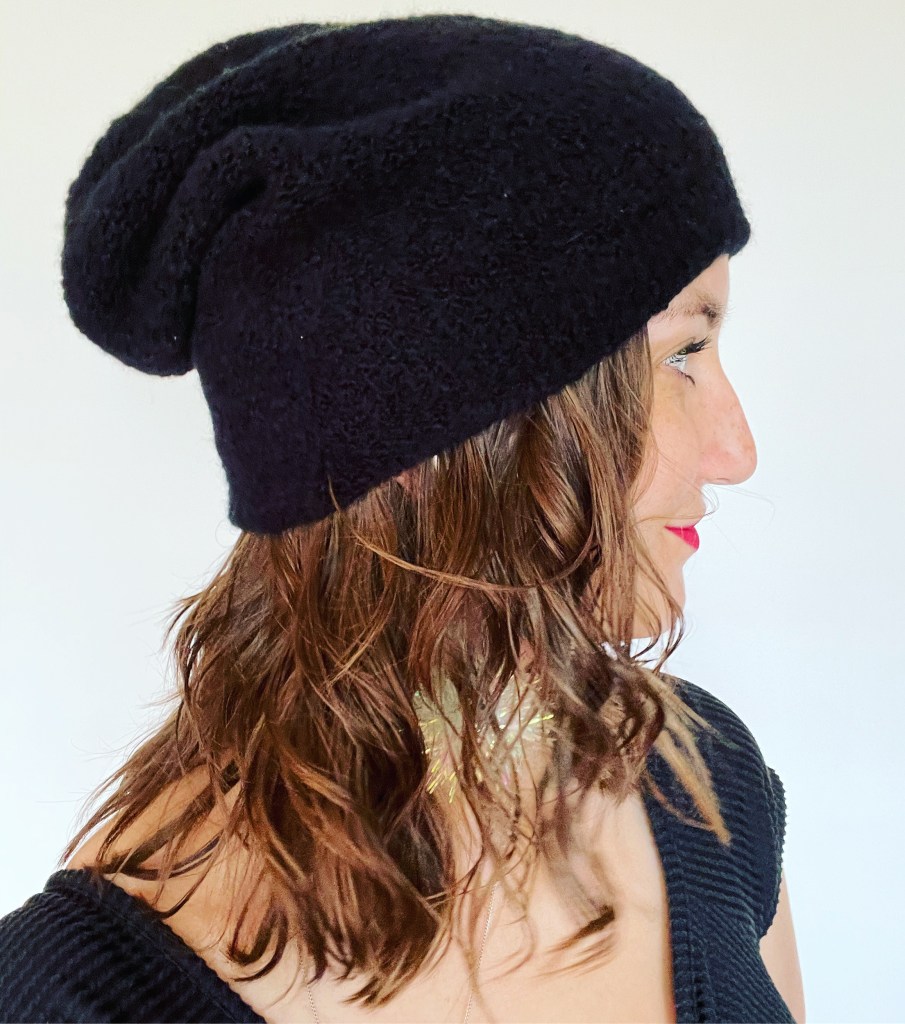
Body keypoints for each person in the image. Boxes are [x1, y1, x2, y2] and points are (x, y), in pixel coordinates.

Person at [0, 14, 805, 1023]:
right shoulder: (77, 992)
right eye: (681, 352)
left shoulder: (705, 780)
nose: (736, 450)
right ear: (444, 438)